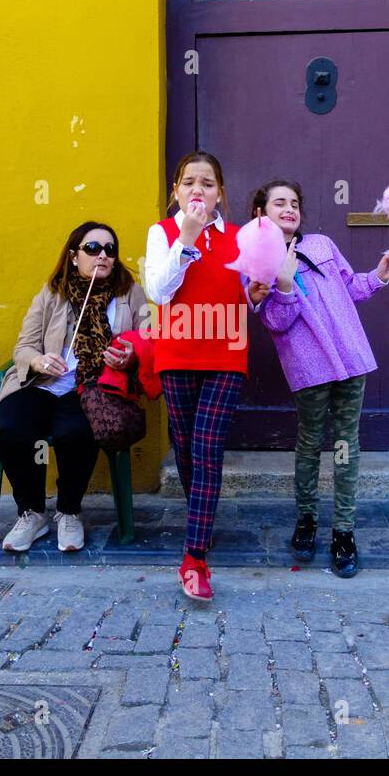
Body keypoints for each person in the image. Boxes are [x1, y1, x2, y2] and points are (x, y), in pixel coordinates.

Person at [245, 180, 389, 577]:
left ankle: (344, 531)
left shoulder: (321, 245)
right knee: (311, 444)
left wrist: (379, 275)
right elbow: (277, 323)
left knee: (347, 446)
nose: (289, 209)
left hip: (351, 360)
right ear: (261, 212)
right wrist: (282, 282)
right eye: (279, 202)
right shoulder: (256, 261)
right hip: (310, 368)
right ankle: (307, 520)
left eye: (294, 202)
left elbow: (350, 288)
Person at [0, 222, 149, 553]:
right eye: (93, 249)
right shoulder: (52, 293)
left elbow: (147, 339)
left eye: (110, 249)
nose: (102, 255)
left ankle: (68, 511)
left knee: (74, 433)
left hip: (92, 387)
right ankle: (32, 512)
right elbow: (23, 347)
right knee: (10, 428)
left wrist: (129, 354)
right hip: (44, 383)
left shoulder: (129, 293)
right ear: (74, 256)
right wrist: (39, 361)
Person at [143, 151, 251, 601]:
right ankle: (201, 517)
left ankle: (195, 559)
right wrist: (185, 239)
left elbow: (254, 296)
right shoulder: (161, 232)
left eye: (208, 183)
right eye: (189, 182)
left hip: (227, 353)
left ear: (220, 192)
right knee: (185, 447)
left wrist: (262, 291)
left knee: (206, 448)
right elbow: (159, 291)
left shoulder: (243, 236)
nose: (198, 191)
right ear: (176, 191)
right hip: (177, 351)